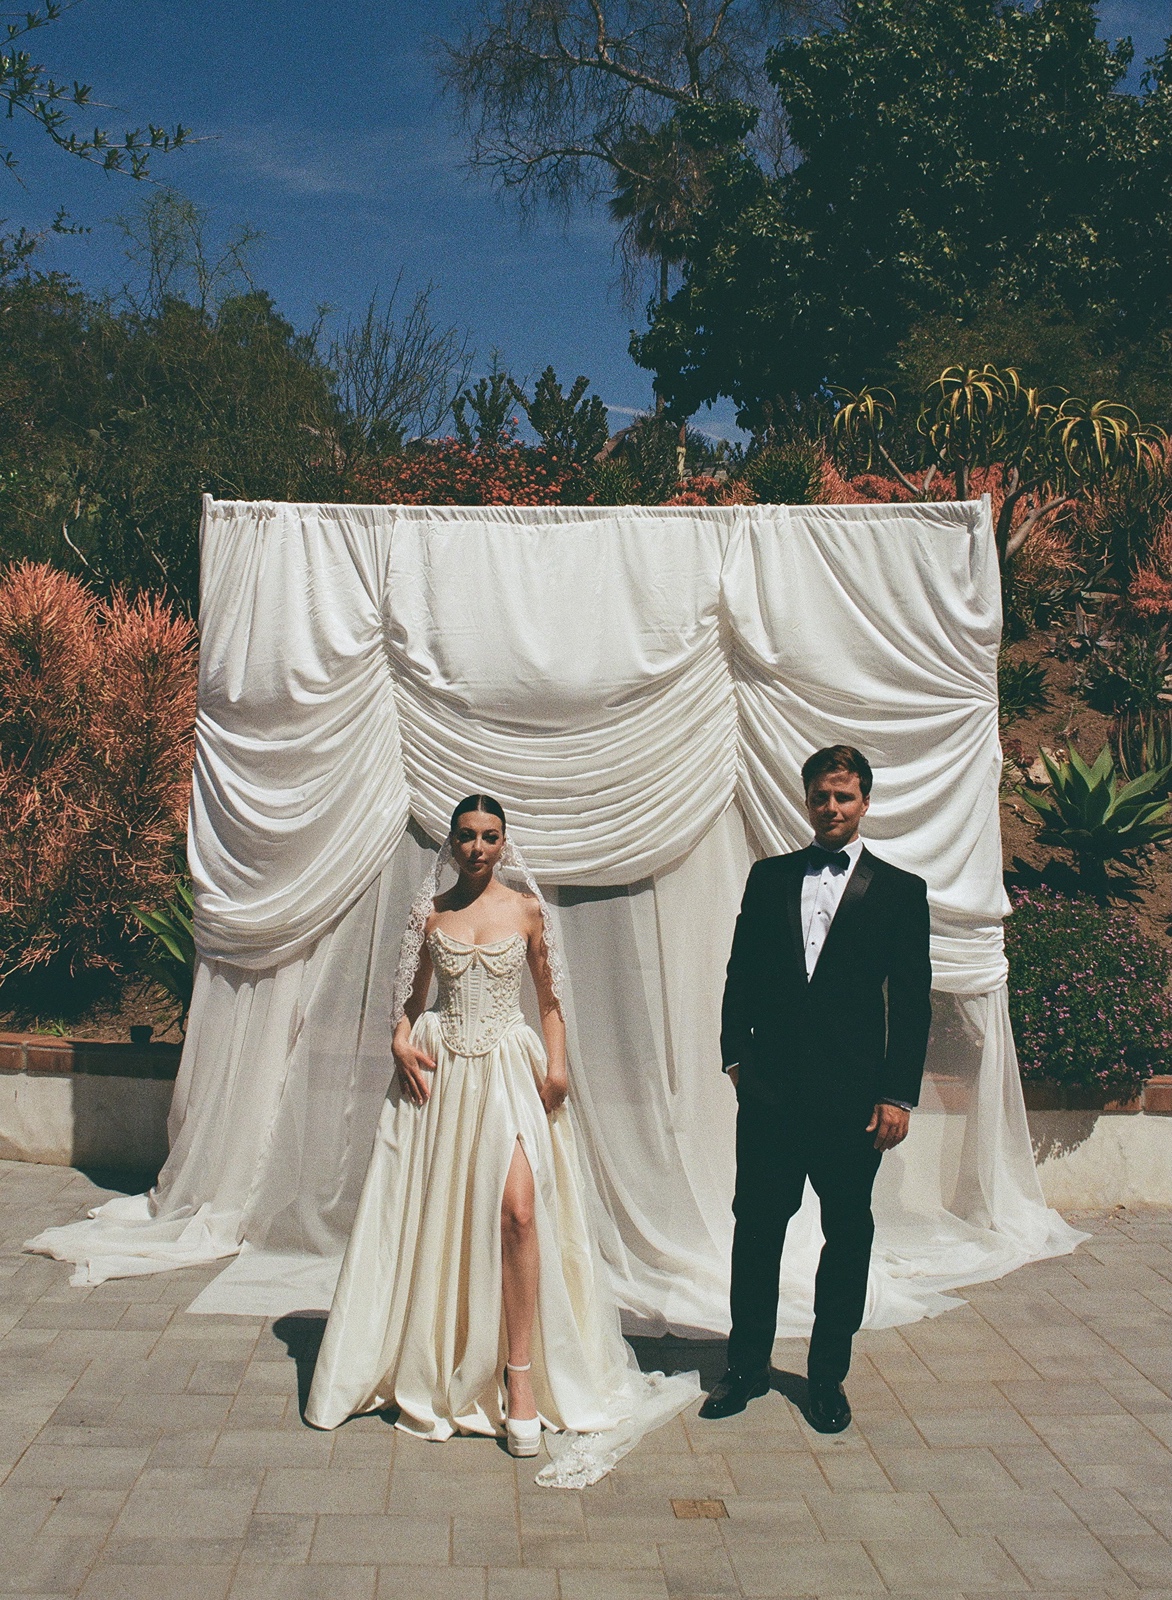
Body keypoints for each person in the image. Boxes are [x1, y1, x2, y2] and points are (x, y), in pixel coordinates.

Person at [305, 794, 697, 1485]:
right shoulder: (430, 915)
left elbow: (550, 1001)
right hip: (446, 1078)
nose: (478, 847)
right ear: (451, 845)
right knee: (448, 1221)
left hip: (512, 1075)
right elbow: (409, 999)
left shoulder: (525, 910)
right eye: (466, 836)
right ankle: (444, 1358)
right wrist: (400, 1040)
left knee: (519, 1213)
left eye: (490, 836)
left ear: (505, 842)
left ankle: (521, 1378)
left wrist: (559, 1065)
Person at [701, 745, 932, 1433]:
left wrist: (898, 1095)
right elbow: (740, 972)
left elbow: (912, 1002)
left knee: (847, 1235)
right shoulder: (768, 878)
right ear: (806, 802)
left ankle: (827, 1378)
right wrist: (735, 1055)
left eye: (845, 797)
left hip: (853, 1104)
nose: (832, 809)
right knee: (758, 1234)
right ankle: (744, 1369)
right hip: (769, 1097)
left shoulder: (900, 892)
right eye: (821, 798)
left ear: (864, 802)